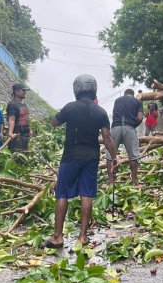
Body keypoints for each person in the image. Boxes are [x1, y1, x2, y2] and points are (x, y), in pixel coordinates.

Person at [45, 75, 117, 249]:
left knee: (61, 194)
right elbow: (107, 138)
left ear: (76, 90)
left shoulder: (70, 107)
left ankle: (57, 237)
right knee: (87, 194)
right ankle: (83, 236)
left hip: (70, 157)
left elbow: (54, 123)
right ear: (94, 90)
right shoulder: (100, 112)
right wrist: (114, 158)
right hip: (91, 157)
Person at [107, 88, 143, 185]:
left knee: (110, 156)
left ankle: (110, 181)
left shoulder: (117, 100)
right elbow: (140, 118)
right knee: (133, 157)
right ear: (133, 94)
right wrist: (132, 126)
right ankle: (134, 181)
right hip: (129, 128)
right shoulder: (137, 101)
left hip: (115, 127)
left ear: (125, 94)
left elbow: (115, 115)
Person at [7, 83, 31, 159]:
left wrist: (29, 129)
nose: (25, 92)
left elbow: (25, 118)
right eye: (23, 90)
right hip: (17, 134)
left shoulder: (24, 104)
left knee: (24, 156)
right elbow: (11, 119)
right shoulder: (12, 104)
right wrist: (10, 133)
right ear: (16, 91)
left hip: (25, 135)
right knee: (16, 156)